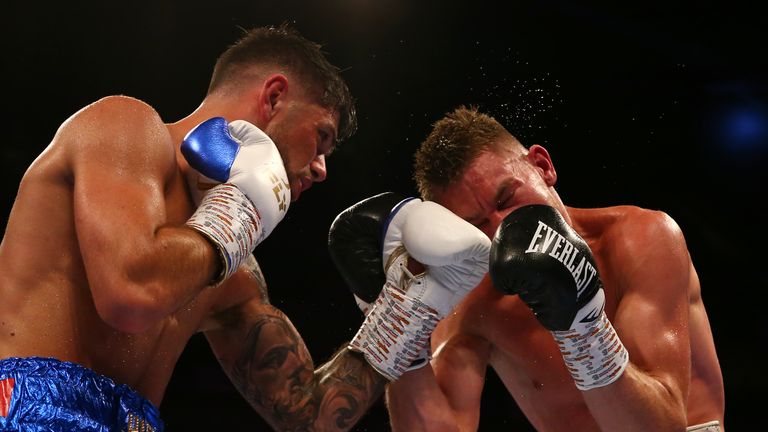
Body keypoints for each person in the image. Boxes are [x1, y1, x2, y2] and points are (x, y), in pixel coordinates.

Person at [0, 23, 489, 431]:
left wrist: (402, 315)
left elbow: (305, 417)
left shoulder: (231, 270)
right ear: (274, 97)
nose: (322, 169)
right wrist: (236, 214)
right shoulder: (124, 127)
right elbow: (131, 294)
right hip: (28, 408)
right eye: (321, 137)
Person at [385, 106, 725, 431]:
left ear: (542, 166)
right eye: (477, 225)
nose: (503, 228)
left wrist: (584, 329)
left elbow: (664, 428)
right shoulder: (472, 302)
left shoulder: (641, 239)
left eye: (506, 199)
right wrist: (398, 327)